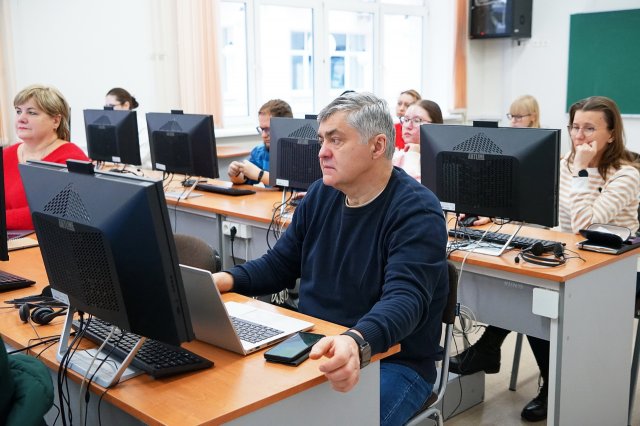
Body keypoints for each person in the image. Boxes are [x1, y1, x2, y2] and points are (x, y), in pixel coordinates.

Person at [213, 92, 449, 426]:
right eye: (322, 140)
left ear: (377, 146)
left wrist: (356, 341)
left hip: (393, 359)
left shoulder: (417, 210)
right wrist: (223, 280)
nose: (322, 152)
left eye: (336, 140)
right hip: (315, 341)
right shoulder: (321, 194)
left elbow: (404, 299)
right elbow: (280, 265)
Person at [451, 95, 640, 423]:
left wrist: (582, 170)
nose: (579, 136)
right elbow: (541, 209)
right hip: (567, 260)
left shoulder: (625, 174)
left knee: (535, 298)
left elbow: (583, 224)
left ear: (611, 134)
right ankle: (512, 361)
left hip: (612, 272)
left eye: (589, 128)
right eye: (575, 127)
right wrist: (495, 217)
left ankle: (511, 362)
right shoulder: (564, 163)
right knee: (526, 289)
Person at [4, 84, 89, 230]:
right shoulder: (6, 154)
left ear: (55, 121)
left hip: (43, 240)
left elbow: (50, 213)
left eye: (32, 113)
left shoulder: (71, 158)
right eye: (18, 111)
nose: (21, 118)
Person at [227, 99, 293, 185]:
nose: (263, 135)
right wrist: (236, 174)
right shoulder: (260, 152)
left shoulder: (301, 153)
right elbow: (244, 180)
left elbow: (290, 183)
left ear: (285, 127)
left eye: (268, 129)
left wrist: (259, 174)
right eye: (262, 129)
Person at [392, 99, 443, 181]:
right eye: (406, 120)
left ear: (435, 126)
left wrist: (413, 153)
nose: (408, 126)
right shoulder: (397, 157)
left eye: (417, 120)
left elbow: (411, 187)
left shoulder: (442, 162)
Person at [104, 87, 151, 169]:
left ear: (126, 105)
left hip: (140, 172)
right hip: (116, 170)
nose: (108, 110)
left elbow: (139, 159)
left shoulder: (142, 127)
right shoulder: (111, 126)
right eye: (106, 107)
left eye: (111, 106)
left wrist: (111, 163)